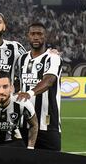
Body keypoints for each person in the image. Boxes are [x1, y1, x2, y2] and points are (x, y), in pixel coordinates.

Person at [16, 22, 62, 151]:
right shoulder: (21, 59)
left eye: (39, 34)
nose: (36, 37)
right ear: (28, 36)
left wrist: (29, 93)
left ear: (45, 36)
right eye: (33, 34)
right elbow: (16, 84)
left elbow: (49, 80)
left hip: (47, 124)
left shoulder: (53, 57)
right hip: (23, 124)